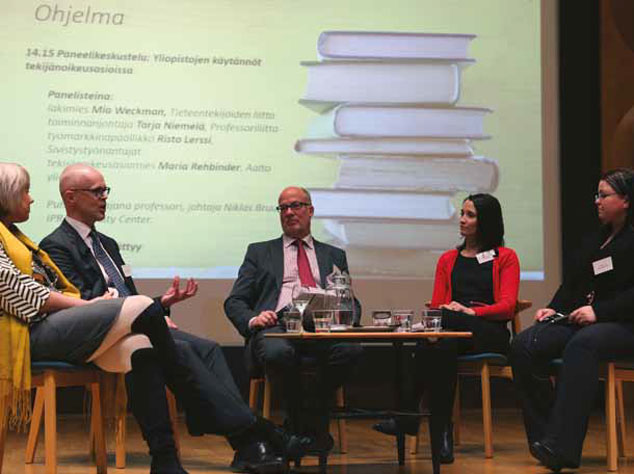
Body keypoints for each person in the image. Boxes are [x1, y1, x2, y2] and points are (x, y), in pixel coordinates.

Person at [0, 163, 300, 474]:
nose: (31, 198)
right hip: (47, 332)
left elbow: (74, 291)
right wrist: (104, 307)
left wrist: (157, 309)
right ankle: (254, 429)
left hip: (103, 325)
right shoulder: (51, 243)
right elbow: (31, 296)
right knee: (163, 332)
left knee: (148, 349)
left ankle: (165, 459)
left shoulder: (27, 239)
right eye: (25, 191)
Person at [373, 193, 520, 464]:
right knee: (442, 344)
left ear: (486, 221)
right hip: (452, 334)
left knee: (438, 330)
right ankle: (441, 435)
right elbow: (437, 305)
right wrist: (446, 316)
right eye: (462, 213)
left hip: (488, 331)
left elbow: (508, 306)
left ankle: (407, 416)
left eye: (470, 215)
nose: (462, 219)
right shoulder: (448, 259)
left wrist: (470, 312)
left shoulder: (506, 257)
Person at [510, 168, 634, 472]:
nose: (597, 201)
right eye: (597, 195)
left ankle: (562, 446)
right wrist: (553, 309)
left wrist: (600, 312)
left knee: (582, 344)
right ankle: (545, 438)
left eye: (604, 195)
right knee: (525, 344)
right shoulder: (597, 238)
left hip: (624, 324)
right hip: (588, 322)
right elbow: (573, 284)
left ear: (626, 200)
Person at [224, 186, 363, 455]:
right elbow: (234, 301)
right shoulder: (259, 252)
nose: (289, 212)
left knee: (351, 350)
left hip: (323, 328)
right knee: (277, 352)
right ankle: (312, 429)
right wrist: (254, 319)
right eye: (283, 208)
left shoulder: (334, 255)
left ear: (310, 211)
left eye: (296, 205)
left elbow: (350, 300)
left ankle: (301, 426)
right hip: (277, 327)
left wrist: (347, 318)